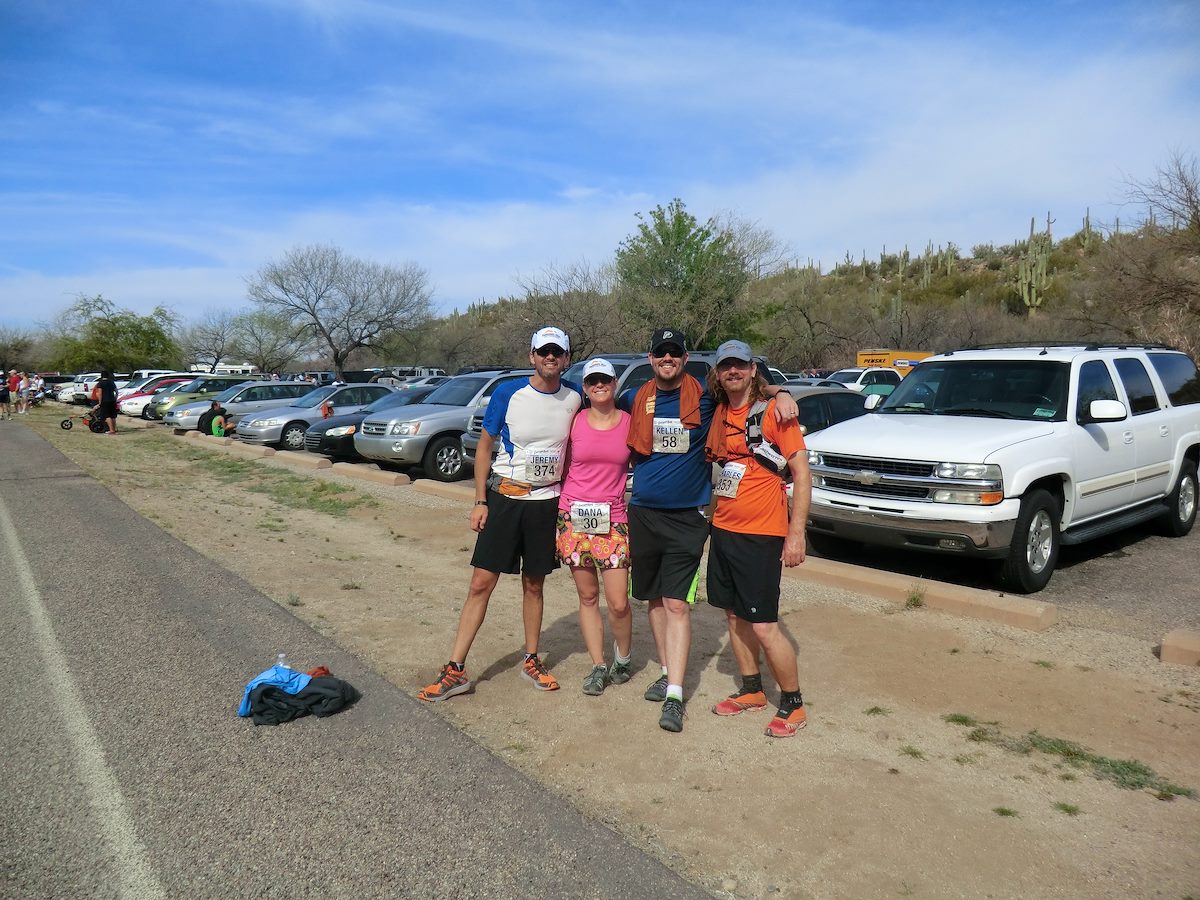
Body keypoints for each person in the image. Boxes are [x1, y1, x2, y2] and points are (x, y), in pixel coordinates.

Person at [621, 328, 797, 733]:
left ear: (685, 359)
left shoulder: (705, 397)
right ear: (651, 358)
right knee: (655, 601)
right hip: (645, 512)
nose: (667, 359)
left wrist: (780, 392)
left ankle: (676, 694)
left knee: (679, 604)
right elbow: (595, 404)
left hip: (689, 517)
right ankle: (670, 670)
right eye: (660, 353)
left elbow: (750, 390)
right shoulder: (635, 397)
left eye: (675, 353)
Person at [418, 326, 582, 702]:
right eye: (544, 352)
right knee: (480, 584)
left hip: (546, 502)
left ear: (567, 359)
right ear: (532, 356)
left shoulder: (575, 398)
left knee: (534, 584)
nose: (551, 358)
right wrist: (479, 500)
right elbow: (484, 446)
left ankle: (531, 658)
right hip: (505, 497)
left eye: (558, 353)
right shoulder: (508, 392)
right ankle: (455, 669)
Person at [704, 340, 811, 738]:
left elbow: (802, 474)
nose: (733, 371)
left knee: (764, 624)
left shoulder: (775, 415)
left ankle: (793, 704)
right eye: (725, 366)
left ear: (753, 369)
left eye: (740, 365)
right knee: (732, 613)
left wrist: (796, 534)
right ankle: (751, 690)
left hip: (762, 534)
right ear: (718, 373)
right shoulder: (718, 411)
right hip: (725, 529)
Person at [555, 357, 634, 696]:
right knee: (588, 596)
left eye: (605, 379)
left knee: (617, 602)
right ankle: (598, 665)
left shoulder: (631, 423)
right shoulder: (574, 422)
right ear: (585, 388)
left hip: (613, 519)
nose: (599, 385)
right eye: (592, 381)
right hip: (573, 518)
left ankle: (624, 658)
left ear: (615, 383)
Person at [95, 370, 119, 434]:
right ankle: (114, 429)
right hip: (112, 400)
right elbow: (116, 392)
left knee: (107, 416)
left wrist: (99, 402)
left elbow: (100, 393)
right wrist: (115, 398)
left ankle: (111, 430)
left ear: (101, 375)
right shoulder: (111, 382)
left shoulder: (100, 383)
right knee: (113, 415)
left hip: (105, 401)